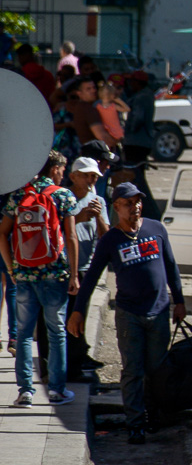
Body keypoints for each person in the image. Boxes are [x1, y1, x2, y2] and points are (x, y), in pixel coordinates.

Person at [67, 182, 186, 444]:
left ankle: (153, 415)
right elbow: (90, 279)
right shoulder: (110, 240)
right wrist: (78, 312)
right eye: (129, 203)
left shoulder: (156, 228)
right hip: (129, 314)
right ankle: (135, 423)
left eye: (138, 201)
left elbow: (171, 265)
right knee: (133, 370)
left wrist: (179, 301)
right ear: (117, 207)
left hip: (159, 311)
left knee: (156, 368)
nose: (136, 206)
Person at [0, 150, 79, 408]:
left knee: (23, 334)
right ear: (54, 169)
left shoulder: (19, 195)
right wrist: (74, 274)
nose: (63, 174)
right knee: (56, 332)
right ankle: (56, 390)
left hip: (23, 274)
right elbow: (72, 237)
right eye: (62, 169)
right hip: (55, 274)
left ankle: (25, 392)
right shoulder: (63, 195)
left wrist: (12, 269)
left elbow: (2, 233)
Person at [65, 157, 110, 379]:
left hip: (86, 267)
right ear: (73, 176)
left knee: (80, 312)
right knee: (70, 314)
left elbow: (105, 235)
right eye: (86, 175)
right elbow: (60, 232)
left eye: (94, 176)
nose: (91, 180)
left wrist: (99, 215)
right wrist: (80, 217)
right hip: (65, 267)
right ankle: (70, 365)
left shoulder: (98, 200)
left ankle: (79, 356)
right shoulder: (63, 198)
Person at [70, 76, 117, 148]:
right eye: (88, 89)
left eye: (94, 87)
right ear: (79, 93)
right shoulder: (87, 109)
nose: (93, 91)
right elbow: (102, 136)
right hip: (94, 152)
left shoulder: (83, 107)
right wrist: (117, 143)